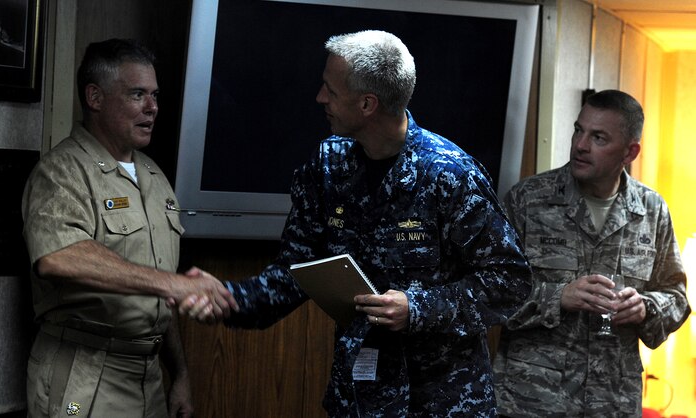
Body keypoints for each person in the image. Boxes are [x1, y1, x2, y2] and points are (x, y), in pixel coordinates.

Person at [182, 30, 532, 416]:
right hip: (360, 401)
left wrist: (417, 307)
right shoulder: (329, 166)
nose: (320, 98)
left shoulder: (448, 174)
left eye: (330, 90)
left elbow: (510, 281)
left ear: (367, 104)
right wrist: (229, 300)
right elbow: (294, 271)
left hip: (442, 402)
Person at [21, 38, 237, 418]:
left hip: (148, 378)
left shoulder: (155, 178)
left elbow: (156, 288)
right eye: (137, 94)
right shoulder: (61, 172)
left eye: (155, 95)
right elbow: (57, 257)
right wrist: (175, 284)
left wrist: (180, 374)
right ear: (95, 97)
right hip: (85, 375)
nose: (152, 107)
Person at [492, 89, 691, 417]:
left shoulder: (651, 210)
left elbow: (677, 296)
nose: (580, 145)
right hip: (532, 401)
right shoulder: (528, 200)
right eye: (578, 130)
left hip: (612, 402)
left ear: (630, 152)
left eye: (598, 137)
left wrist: (646, 308)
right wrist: (558, 297)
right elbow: (490, 294)